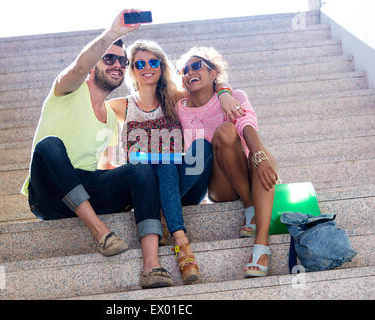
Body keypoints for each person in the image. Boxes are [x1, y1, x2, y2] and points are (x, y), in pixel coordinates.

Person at [20, 10, 173, 289]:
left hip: (85, 190)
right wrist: (113, 34)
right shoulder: (67, 89)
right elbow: (80, 64)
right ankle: (101, 233)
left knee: (140, 169)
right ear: (94, 65)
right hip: (49, 193)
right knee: (49, 145)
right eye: (109, 58)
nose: (116, 65)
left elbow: (106, 171)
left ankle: (152, 265)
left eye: (122, 62)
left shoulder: (112, 118)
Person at [106, 40, 243, 283]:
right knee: (162, 163)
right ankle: (182, 246)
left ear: (161, 66)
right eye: (140, 63)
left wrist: (223, 93)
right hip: (147, 189)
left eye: (153, 61)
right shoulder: (122, 106)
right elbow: (94, 110)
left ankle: (164, 217)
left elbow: (211, 83)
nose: (147, 67)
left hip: (184, 186)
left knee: (198, 149)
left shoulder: (176, 100)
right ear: (132, 70)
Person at [176, 47, 279, 278]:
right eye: (184, 70)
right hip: (218, 182)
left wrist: (260, 157)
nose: (190, 71)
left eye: (197, 66)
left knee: (260, 152)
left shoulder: (236, 95)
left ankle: (261, 247)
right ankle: (249, 203)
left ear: (214, 73)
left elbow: (246, 123)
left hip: (246, 167)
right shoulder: (179, 108)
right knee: (223, 132)